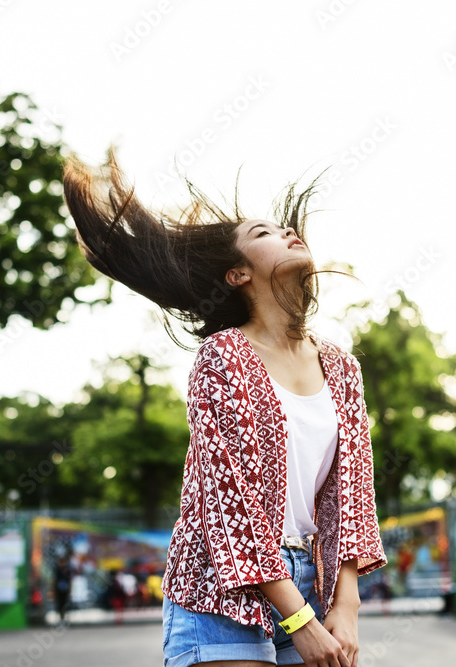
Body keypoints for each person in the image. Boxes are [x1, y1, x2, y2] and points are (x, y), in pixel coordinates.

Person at [63, 148, 387, 667]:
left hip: (310, 578)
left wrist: (345, 606)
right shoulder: (223, 356)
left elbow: (351, 496)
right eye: (264, 234)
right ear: (238, 275)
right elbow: (230, 501)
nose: (285, 232)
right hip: (217, 586)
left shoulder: (342, 367)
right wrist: (298, 620)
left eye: (283, 228)